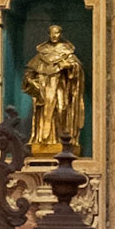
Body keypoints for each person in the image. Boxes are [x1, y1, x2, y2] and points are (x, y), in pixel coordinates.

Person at [21, 24, 85, 157]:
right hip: (44, 90)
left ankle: (63, 140)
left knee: (61, 109)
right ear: (48, 34)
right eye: (52, 33)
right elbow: (29, 72)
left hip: (60, 88)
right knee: (44, 112)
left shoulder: (67, 52)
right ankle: (45, 142)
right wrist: (32, 81)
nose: (54, 36)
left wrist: (69, 66)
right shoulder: (42, 53)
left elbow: (77, 69)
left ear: (61, 34)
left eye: (57, 33)